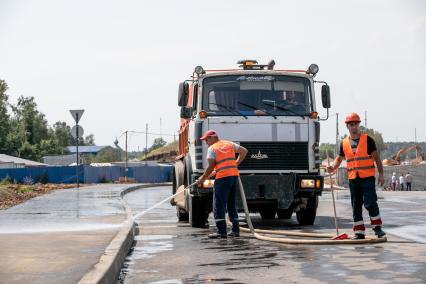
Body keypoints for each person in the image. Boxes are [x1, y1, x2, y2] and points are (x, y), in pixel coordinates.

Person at [327, 112, 386, 239]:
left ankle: (377, 228)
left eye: (355, 124)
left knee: (370, 203)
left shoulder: (368, 140)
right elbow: (339, 158)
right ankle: (359, 232)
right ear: (347, 126)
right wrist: (332, 167)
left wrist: (381, 174)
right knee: (356, 204)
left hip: (368, 177)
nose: (353, 126)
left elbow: (377, 158)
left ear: (359, 125)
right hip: (353, 178)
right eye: (351, 124)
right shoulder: (344, 143)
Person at [197, 130, 248, 239]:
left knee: (218, 205)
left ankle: (221, 232)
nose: (206, 142)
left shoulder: (212, 148)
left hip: (222, 178)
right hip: (233, 176)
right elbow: (244, 151)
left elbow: (211, 166)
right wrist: (236, 163)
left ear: (212, 137)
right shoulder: (229, 143)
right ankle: (235, 231)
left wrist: (202, 178)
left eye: (207, 139)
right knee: (231, 205)